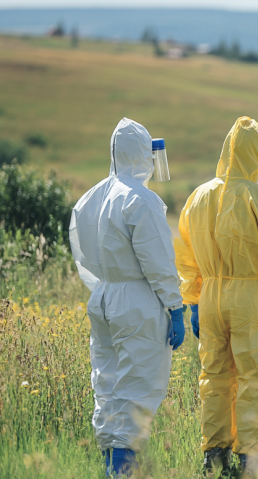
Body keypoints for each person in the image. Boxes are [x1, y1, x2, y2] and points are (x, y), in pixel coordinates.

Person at [175, 116, 258, 475]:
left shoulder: (198, 196)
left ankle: (213, 457)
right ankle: (251, 462)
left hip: (211, 298)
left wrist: (193, 301)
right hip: (253, 297)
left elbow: (186, 257)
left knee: (215, 378)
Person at [69, 118, 186, 477]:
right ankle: (122, 471)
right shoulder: (141, 199)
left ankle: (109, 465)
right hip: (138, 301)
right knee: (136, 389)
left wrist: (105, 289)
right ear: (144, 153)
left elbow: (80, 250)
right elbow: (158, 260)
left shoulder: (92, 196)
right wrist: (175, 306)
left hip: (103, 296)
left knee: (106, 384)